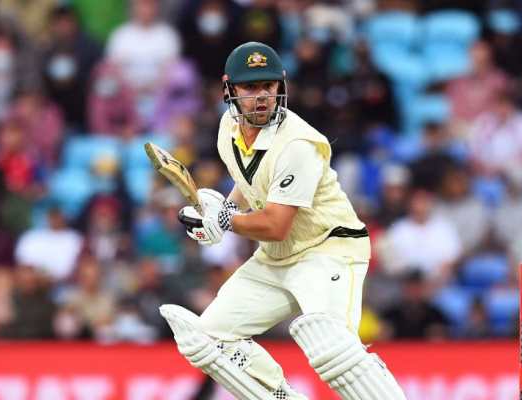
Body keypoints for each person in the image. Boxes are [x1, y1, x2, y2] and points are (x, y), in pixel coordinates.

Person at [159, 42, 406, 400]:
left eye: (268, 86)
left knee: (332, 347)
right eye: (250, 87)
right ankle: (280, 396)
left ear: (281, 85)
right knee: (209, 339)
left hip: (327, 250)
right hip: (277, 257)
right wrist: (220, 214)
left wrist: (225, 219)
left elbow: (276, 225)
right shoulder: (228, 127)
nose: (261, 97)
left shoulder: (297, 145)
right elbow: (250, 181)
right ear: (229, 88)